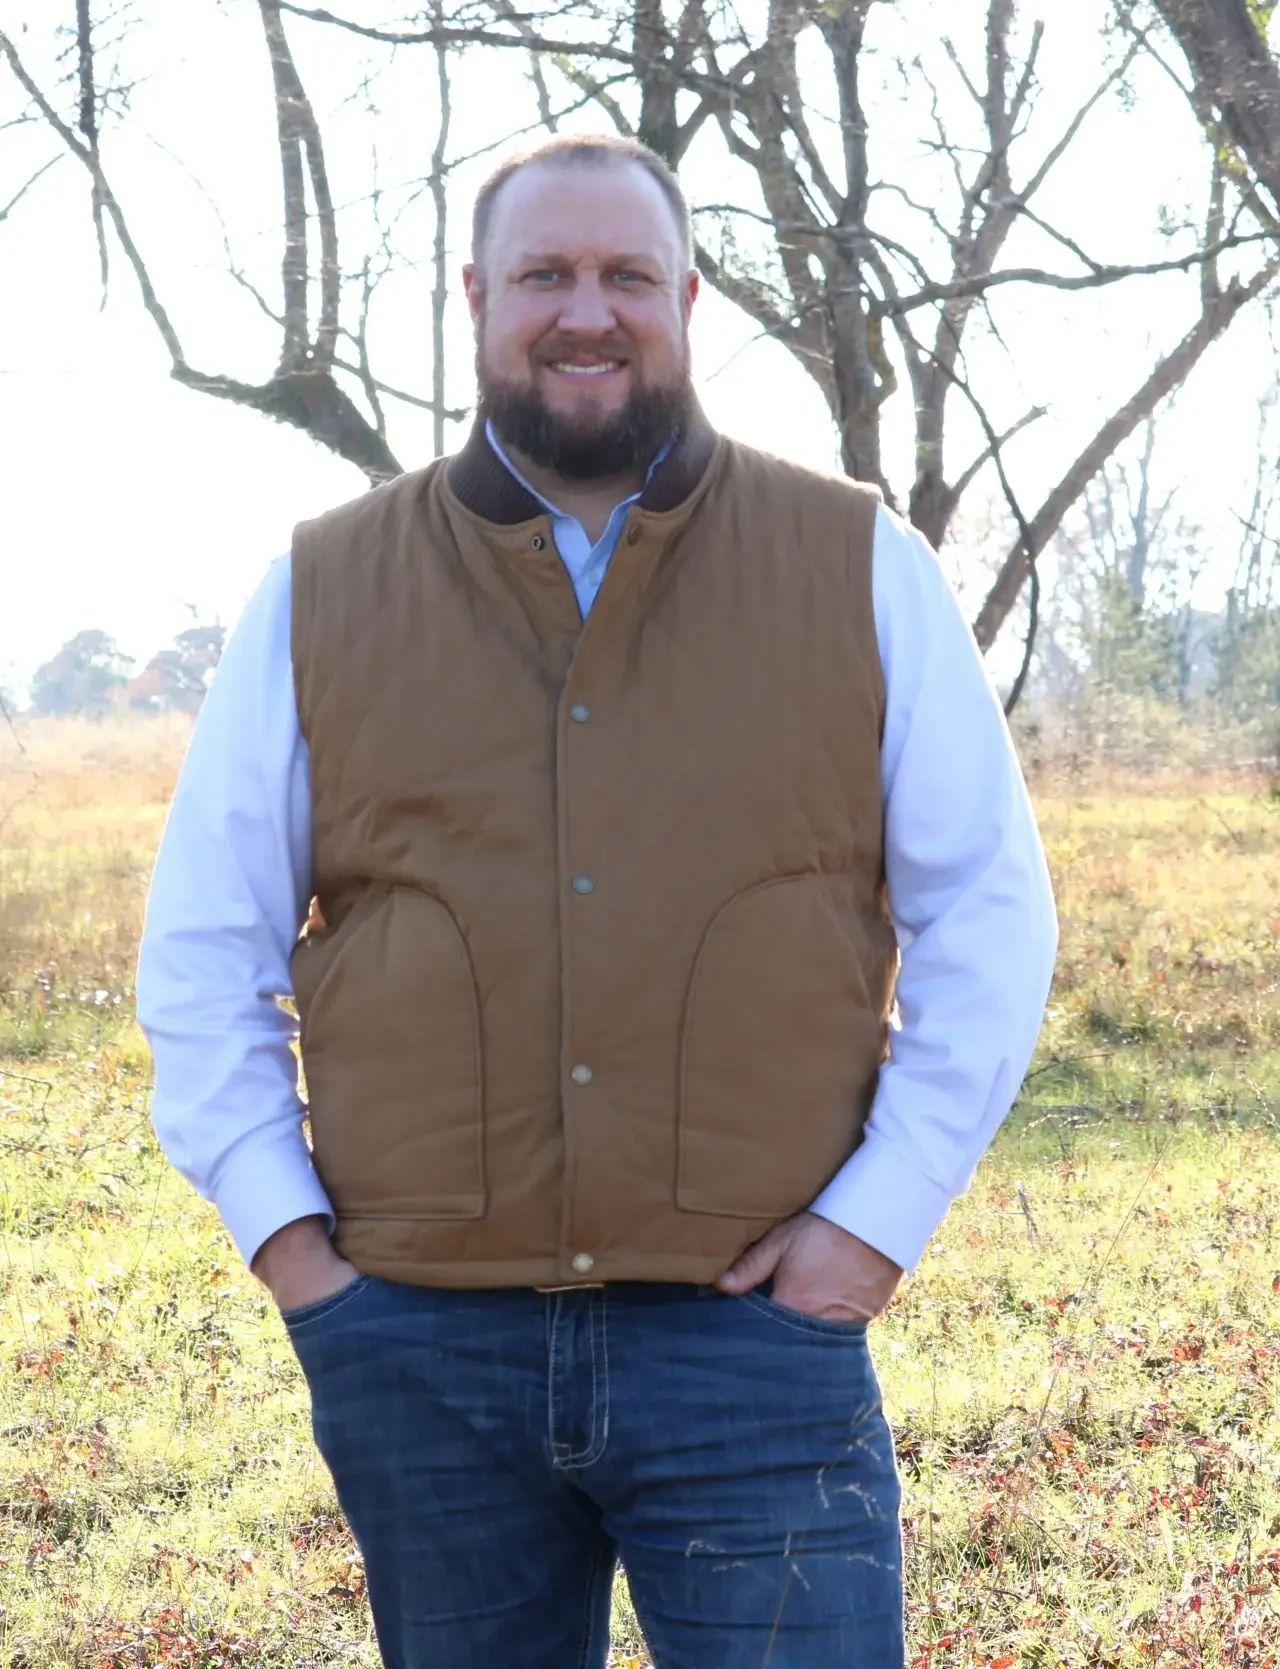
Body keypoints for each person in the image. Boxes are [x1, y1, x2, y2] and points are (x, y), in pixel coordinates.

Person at [137, 133, 1057, 1669]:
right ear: (477, 298)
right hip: (418, 1347)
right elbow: (204, 947)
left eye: (628, 275)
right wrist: (296, 1250)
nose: (587, 311)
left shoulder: (860, 565)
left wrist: (874, 1226)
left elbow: (990, 917)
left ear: (688, 300)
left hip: (753, 1338)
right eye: (546, 275)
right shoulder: (321, 587)